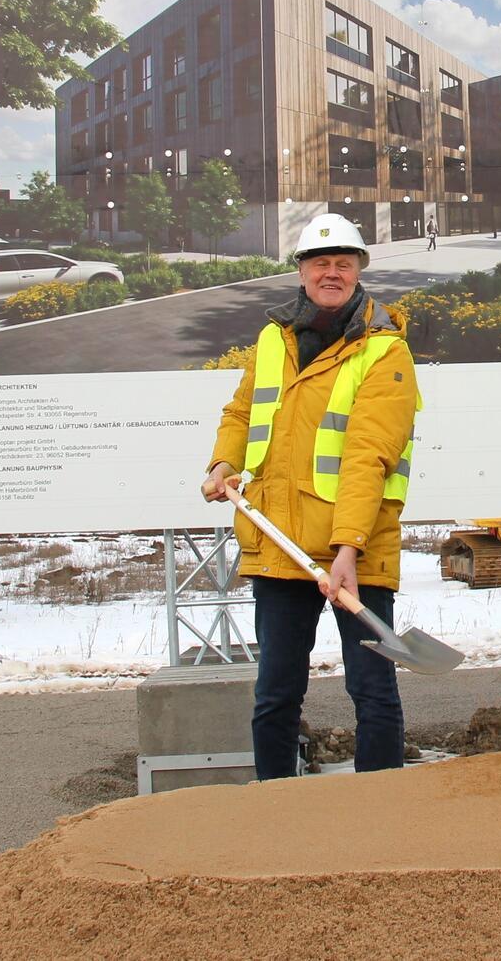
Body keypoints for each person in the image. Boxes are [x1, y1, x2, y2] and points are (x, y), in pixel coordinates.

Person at [202, 212, 421, 778]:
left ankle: (378, 811)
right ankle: (278, 808)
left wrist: (347, 547)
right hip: (279, 545)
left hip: (358, 549)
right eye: (320, 263)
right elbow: (241, 410)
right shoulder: (273, 339)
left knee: (371, 689)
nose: (331, 273)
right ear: (301, 273)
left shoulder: (384, 351)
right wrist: (224, 461)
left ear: (358, 272)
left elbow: (369, 455)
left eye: (342, 264)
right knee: (276, 692)